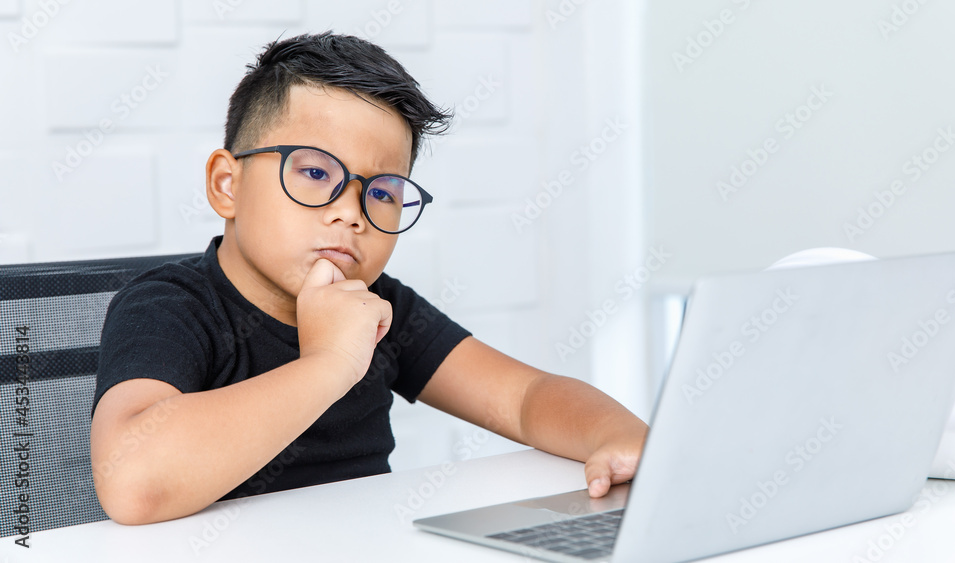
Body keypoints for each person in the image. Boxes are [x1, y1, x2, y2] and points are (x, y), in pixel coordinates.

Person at [89, 32, 648, 525]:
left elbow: (525, 397)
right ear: (226, 186)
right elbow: (133, 483)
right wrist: (330, 364)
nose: (351, 213)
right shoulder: (169, 306)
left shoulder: (379, 308)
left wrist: (617, 435)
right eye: (314, 172)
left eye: (382, 192)